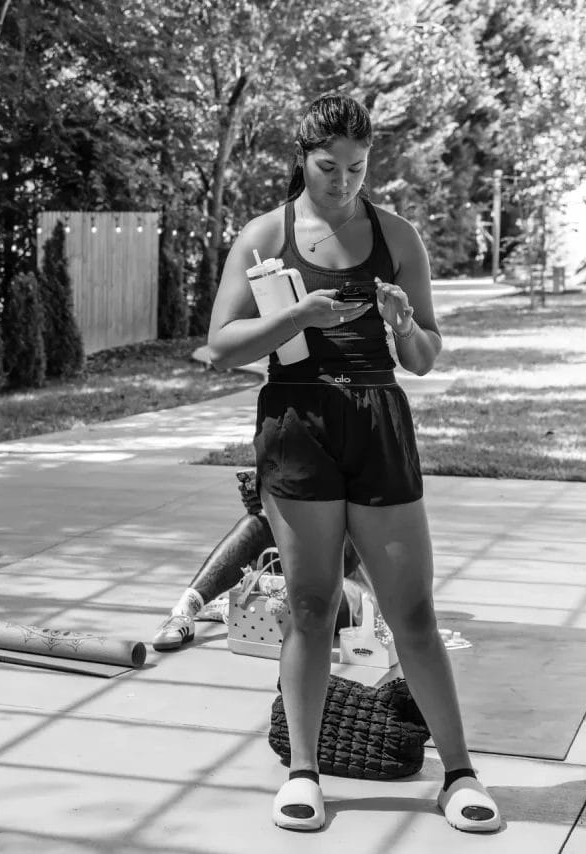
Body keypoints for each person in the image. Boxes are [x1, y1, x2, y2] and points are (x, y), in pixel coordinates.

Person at [206, 93, 500, 833]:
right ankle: (303, 773)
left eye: (357, 167)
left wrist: (403, 326)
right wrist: (296, 316)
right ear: (302, 159)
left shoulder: (396, 235)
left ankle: (459, 774)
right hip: (296, 424)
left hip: (377, 422)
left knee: (414, 612)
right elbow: (220, 348)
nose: (343, 182)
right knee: (310, 606)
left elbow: (424, 357)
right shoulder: (265, 235)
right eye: (328, 166)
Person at [152, 470, 364, 652]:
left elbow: (345, 559)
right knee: (255, 524)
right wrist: (265, 501)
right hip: (306, 564)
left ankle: (240, 606)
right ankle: (185, 609)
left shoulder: (359, 456)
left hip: (351, 591)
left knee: (312, 601)